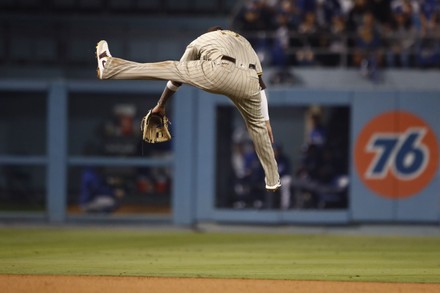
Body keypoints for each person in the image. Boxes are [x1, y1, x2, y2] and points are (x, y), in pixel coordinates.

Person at [95, 26, 281, 192]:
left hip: (220, 71)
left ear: (211, 33)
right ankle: (273, 180)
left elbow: (177, 78)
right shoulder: (244, 42)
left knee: (172, 67)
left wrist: (161, 104)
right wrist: (266, 120)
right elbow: (261, 86)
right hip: (250, 82)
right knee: (257, 128)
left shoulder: (201, 40)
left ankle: (109, 68)